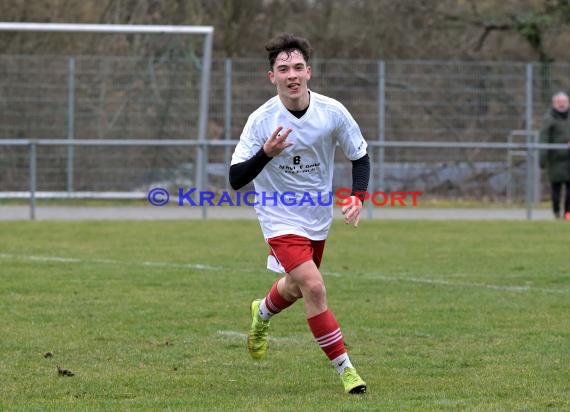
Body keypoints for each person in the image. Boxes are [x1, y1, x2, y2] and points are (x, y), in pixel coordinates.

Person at [229, 33, 370, 394]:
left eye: (297, 67)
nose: (291, 75)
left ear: (308, 71)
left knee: (293, 287)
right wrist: (266, 153)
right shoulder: (261, 120)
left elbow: (359, 155)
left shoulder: (331, 112)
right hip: (278, 216)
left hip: (317, 217)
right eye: (282, 69)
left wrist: (357, 197)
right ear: (271, 77)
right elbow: (236, 178)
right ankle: (347, 371)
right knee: (313, 286)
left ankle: (261, 313)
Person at [539, 91, 570, 220]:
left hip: (569, 160)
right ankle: (556, 212)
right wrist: (543, 159)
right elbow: (544, 139)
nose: (562, 105)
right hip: (555, 160)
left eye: (564, 102)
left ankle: (568, 213)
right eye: (559, 102)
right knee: (556, 189)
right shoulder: (549, 119)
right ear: (554, 103)